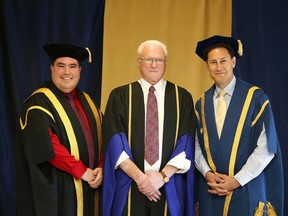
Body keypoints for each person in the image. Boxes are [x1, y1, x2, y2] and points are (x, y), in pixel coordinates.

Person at [102, 40, 196, 216]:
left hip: (168, 185)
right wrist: (141, 179)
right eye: (148, 60)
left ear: (165, 64)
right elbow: (114, 143)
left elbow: (186, 142)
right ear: (138, 62)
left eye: (159, 60)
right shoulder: (120, 96)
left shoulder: (181, 97)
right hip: (129, 185)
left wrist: (161, 176)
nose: (154, 65)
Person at [194, 35, 284, 216]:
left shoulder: (256, 98)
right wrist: (208, 174)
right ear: (207, 66)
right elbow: (196, 146)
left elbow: (266, 148)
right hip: (212, 190)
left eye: (223, 61)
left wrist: (236, 180)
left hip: (246, 188)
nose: (218, 67)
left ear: (233, 62)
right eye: (213, 62)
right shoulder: (201, 104)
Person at [15, 43, 103, 216]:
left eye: (72, 66)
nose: (67, 72)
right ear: (52, 68)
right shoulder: (39, 102)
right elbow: (47, 145)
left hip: (90, 185)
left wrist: (101, 167)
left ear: (80, 70)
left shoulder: (87, 101)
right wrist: (81, 171)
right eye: (61, 66)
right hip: (58, 188)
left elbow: (103, 136)